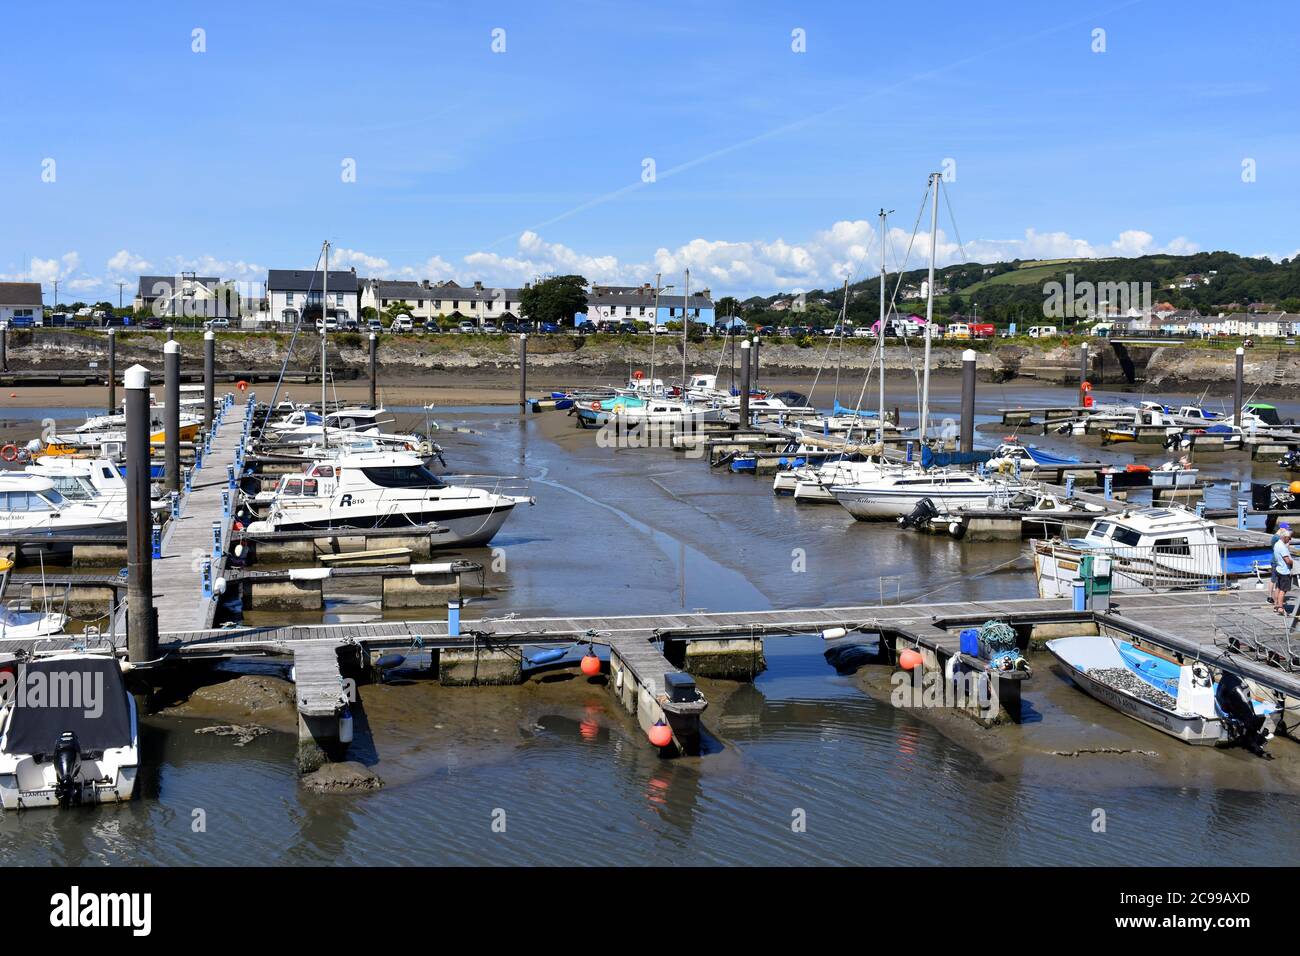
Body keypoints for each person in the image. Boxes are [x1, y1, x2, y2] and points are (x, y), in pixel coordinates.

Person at [1273, 528, 1295, 614]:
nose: (1290, 539)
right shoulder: (1282, 547)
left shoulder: (1277, 544)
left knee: (1278, 588)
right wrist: (1295, 562)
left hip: (1278, 568)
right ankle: (1280, 607)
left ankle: (1276, 605)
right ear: (1285, 537)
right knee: (1283, 590)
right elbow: (1287, 560)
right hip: (1284, 571)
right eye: (1289, 538)